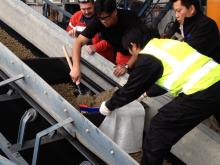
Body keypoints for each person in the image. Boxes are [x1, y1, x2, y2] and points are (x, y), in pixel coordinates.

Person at [99, 26, 220, 165]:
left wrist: (108, 105)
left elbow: (131, 89)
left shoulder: (148, 56)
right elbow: (172, 74)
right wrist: (146, 93)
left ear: (133, 45)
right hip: (216, 78)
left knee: (159, 127)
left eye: (129, 50)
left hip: (202, 91)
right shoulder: (166, 44)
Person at [70, 0, 149, 83]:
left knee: (141, 78)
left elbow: (141, 47)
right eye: (100, 18)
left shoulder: (130, 18)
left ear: (115, 12)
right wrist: (75, 68)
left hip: (141, 52)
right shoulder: (98, 20)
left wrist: (127, 66)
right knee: (121, 77)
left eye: (105, 17)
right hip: (122, 52)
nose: (103, 21)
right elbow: (78, 42)